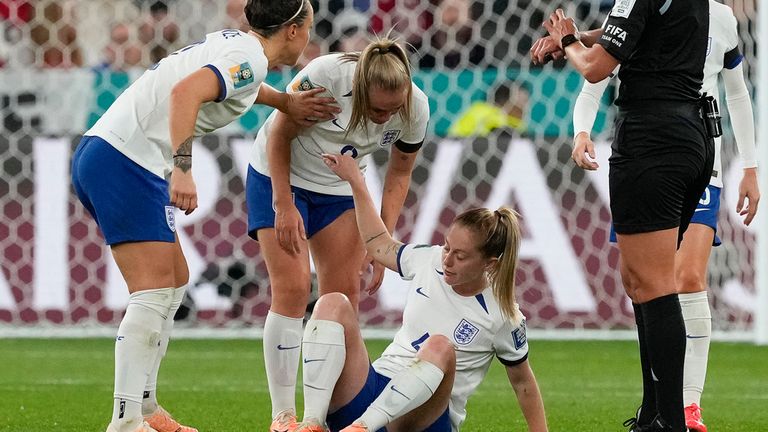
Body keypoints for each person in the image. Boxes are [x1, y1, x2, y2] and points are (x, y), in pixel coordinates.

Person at [70, 1, 340, 431]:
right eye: (308, 27)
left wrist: (285, 103)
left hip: (110, 152)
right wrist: (182, 167)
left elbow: (234, 86)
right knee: (154, 291)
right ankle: (124, 421)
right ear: (292, 30)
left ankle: (146, 407)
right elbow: (186, 93)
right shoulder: (248, 56)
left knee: (174, 280)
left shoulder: (239, 49)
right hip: (127, 161)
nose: (309, 35)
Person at [570, 2, 760, 431]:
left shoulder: (720, 17)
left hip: (674, 151)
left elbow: (737, 92)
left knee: (682, 279)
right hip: (677, 144)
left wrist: (750, 166)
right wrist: (582, 130)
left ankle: (685, 407)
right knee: (640, 284)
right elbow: (598, 79)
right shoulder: (666, 13)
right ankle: (654, 407)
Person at [531, 2, 713, 431]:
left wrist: (573, 40)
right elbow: (635, 32)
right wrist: (579, 37)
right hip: (691, 135)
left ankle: (671, 422)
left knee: (653, 283)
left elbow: (594, 69)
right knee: (641, 281)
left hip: (653, 138)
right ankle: (654, 415)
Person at [245, 37, 430, 432]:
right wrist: (283, 204)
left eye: (394, 109)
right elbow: (279, 135)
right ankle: (283, 417)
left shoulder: (416, 106)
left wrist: (381, 240)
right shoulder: (325, 76)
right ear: (360, 89)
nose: (386, 117)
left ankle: (320, 419)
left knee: (342, 301)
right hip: (279, 176)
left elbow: (399, 172)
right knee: (293, 290)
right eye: (378, 109)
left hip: (338, 187)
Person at [287, 152, 547, 432]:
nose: (447, 259)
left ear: (489, 263)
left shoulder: (504, 316)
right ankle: (312, 423)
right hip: (376, 388)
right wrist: (355, 181)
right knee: (332, 303)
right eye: (447, 247)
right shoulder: (429, 259)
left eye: (460, 256)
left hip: (423, 419)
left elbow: (522, 383)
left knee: (440, 346)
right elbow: (378, 245)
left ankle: (362, 427)